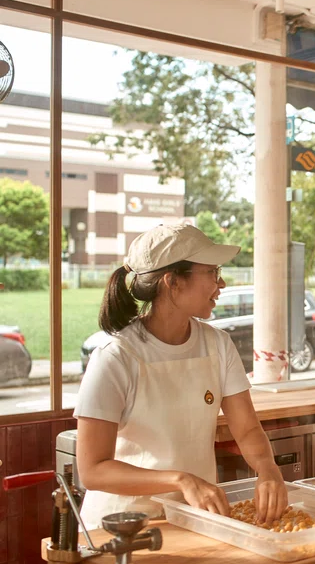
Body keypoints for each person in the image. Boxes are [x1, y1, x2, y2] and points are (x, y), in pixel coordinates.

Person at [74, 223, 288, 533]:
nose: (222, 283)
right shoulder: (115, 356)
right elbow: (92, 470)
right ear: (173, 282)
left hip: (192, 519)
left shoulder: (217, 344)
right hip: (122, 528)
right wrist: (181, 479)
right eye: (212, 273)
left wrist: (268, 470)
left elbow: (248, 428)